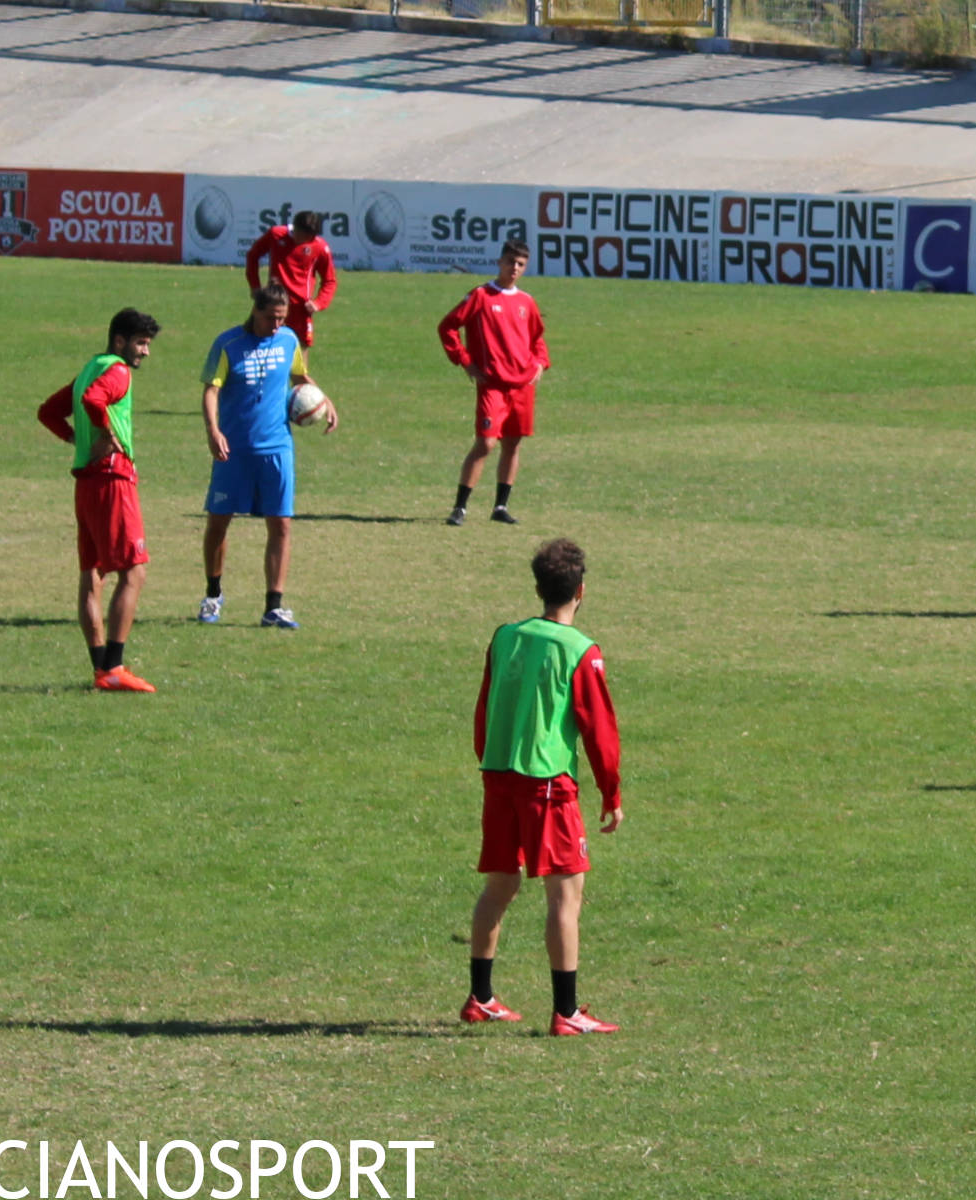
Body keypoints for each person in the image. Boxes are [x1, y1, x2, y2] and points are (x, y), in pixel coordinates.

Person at [461, 538, 624, 1037]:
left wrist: (490, 760)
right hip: (547, 783)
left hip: (499, 774)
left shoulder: (505, 635)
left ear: (538, 588)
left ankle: (481, 998)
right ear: (582, 591)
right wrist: (611, 794)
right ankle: (567, 1011)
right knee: (565, 895)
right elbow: (599, 730)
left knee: (500, 885)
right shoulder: (581, 650)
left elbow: (485, 706)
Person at [198, 283, 338, 631]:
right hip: (234, 450)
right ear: (255, 311)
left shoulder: (289, 340)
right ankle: (213, 595)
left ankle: (273, 606)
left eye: (281, 318)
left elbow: (299, 376)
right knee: (219, 521)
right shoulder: (228, 344)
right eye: (269, 318)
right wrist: (213, 431)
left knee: (281, 524)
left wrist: (325, 400)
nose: (275, 325)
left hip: (277, 448)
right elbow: (211, 390)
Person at [36, 308, 162, 693]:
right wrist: (105, 433)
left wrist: (77, 439)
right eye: (140, 343)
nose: (145, 352)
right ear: (120, 341)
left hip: (85, 483)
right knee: (133, 571)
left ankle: (100, 669)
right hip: (112, 478)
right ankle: (114, 667)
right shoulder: (117, 371)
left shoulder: (92, 366)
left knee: (92, 573)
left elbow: (48, 412)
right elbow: (94, 400)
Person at [438, 239, 549, 527]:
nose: (514, 268)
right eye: (510, 262)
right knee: (486, 443)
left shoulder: (526, 302)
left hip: (523, 385)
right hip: (493, 384)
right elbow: (448, 326)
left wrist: (540, 363)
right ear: (499, 262)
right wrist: (464, 360)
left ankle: (500, 506)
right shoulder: (480, 295)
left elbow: (537, 339)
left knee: (512, 444)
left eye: (521, 264)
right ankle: (460, 507)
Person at [245, 210, 337, 354]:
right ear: (295, 227)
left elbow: (329, 280)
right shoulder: (276, 235)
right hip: (272, 304)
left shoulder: (320, 247)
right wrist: (255, 286)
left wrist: (319, 303)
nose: (306, 239)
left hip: (300, 309)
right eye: (304, 235)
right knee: (255, 346)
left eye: (310, 237)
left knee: (299, 357)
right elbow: (253, 255)